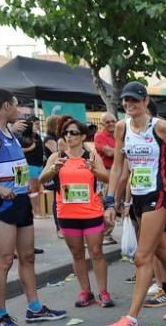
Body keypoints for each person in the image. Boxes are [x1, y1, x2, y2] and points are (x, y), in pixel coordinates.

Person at [104, 81, 166, 326]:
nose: (129, 105)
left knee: (142, 256)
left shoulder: (160, 127)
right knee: (161, 249)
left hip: (160, 195)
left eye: (134, 100)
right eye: (125, 100)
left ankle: (131, 320)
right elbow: (118, 168)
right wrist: (111, 199)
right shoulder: (122, 128)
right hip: (138, 196)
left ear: (146, 102)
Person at [0, 89, 66, 326]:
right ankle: (0, 315)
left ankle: (34, 308)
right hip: (3, 202)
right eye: (16, 106)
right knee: (4, 260)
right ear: (5, 106)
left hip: (21, 199)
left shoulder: (7, 131)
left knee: (28, 257)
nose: (19, 110)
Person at [39, 116, 113, 307]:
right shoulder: (58, 157)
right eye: (66, 133)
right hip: (67, 213)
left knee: (96, 252)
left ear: (82, 137)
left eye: (73, 133)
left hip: (91, 212)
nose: (69, 136)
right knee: (77, 254)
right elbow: (41, 178)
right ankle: (85, 291)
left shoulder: (92, 155)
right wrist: (53, 170)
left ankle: (103, 292)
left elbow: (108, 177)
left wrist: (95, 171)